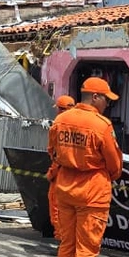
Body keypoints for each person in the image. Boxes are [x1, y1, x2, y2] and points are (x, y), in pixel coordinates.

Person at [47, 77, 123, 257]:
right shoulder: (101, 125)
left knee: (67, 245)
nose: (107, 105)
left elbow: (53, 152)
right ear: (96, 97)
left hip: (66, 188)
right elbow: (114, 164)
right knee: (86, 248)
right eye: (106, 100)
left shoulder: (61, 119)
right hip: (92, 192)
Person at [45, 95, 77, 241]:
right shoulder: (81, 123)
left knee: (57, 209)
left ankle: (62, 241)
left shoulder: (58, 125)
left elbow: (54, 153)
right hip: (80, 177)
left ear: (59, 109)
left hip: (61, 174)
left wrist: (52, 173)